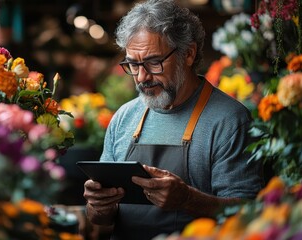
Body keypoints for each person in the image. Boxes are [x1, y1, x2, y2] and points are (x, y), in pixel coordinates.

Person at [82, 0, 264, 239]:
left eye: (153, 62)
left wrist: (188, 199)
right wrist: (97, 206)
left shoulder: (229, 120)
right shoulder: (124, 118)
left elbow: (248, 214)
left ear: (188, 53)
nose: (142, 77)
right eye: (133, 64)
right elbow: (99, 219)